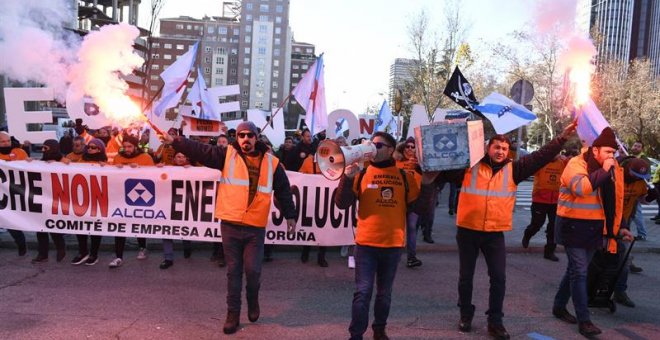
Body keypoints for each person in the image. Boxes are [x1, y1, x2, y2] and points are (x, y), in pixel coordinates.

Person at [163, 121, 297, 335]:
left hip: (255, 228)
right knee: (233, 272)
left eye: (249, 135)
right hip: (230, 225)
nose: (245, 139)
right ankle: (232, 315)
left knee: (253, 271)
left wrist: (290, 215)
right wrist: (176, 141)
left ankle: (253, 301)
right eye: (241, 135)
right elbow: (201, 150)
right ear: (238, 138)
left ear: (256, 138)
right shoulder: (226, 155)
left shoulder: (272, 163)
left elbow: (283, 190)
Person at [450, 122, 576, 340]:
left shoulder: (514, 169)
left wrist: (561, 138)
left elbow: (541, 156)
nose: (500, 151)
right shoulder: (469, 165)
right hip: (467, 230)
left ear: (509, 152)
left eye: (504, 149)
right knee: (465, 278)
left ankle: (495, 321)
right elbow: (442, 166)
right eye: (496, 147)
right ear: (488, 148)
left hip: (494, 233)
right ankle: (465, 314)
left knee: (498, 278)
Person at [335, 131, 437, 340]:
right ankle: (356, 335)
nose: (373, 148)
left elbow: (420, 210)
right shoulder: (361, 173)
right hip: (365, 245)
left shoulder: (404, 176)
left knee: (384, 294)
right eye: (371, 145)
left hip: (392, 245)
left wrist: (426, 185)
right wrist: (346, 178)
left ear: (390, 150)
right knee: (362, 293)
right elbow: (341, 203)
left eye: (378, 146)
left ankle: (379, 329)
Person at [552, 127, 633, 337]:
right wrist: (605, 171)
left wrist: (620, 226)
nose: (611, 157)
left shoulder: (611, 168)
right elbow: (583, 189)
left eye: (613, 154)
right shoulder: (576, 164)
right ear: (595, 149)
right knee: (580, 271)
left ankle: (559, 306)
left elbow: (613, 201)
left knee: (575, 270)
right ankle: (584, 320)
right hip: (572, 226)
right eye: (607, 152)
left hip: (594, 228)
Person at [611, 157, 657, 307]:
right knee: (600, 257)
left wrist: (652, 195)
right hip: (606, 221)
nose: (638, 179)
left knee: (623, 259)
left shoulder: (639, 183)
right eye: (636, 175)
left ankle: (620, 292)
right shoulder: (614, 176)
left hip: (624, 223)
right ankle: (591, 288)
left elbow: (642, 199)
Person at [109, 134, 155, 268]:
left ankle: (142, 247)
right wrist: (113, 169)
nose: (127, 149)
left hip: (139, 197)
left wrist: (140, 170)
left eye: (130, 146)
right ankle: (118, 256)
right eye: (125, 147)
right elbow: (110, 176)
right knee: (120, 225)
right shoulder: (118, 157)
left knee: (138, 223)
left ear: (136, 146)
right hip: (121, 196)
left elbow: (154, 178)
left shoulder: (145, 158)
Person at [521, 153, 568, 261]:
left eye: (557, 152)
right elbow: (530, 169)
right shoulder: (541, 163)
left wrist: (566, 160)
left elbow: (571, 170)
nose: (554, 155)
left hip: (556, 201)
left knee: (554, 227)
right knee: (537, 224)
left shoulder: (562, 163)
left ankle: (549, 251)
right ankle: (528, 234)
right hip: (540, 200)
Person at [69, 138, 108, 265]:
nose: (90, 149)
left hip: (98, 199)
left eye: (94, 147)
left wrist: (107, 168)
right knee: (80, 226)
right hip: (82, 198)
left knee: (95, 226)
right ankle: (83, 252)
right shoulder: (82, 160)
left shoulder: (107, 162)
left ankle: (94, 254)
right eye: (89, 147)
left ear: (100, 149)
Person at [32, 139, 67, 263]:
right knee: (40, 228)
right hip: (42, 198)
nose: (43, 150)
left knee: (53, 226)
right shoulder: (42, 161)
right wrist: (29, 163)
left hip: (56, 199)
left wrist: (58, 165)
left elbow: (70, 168)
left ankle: (61, 249)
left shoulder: (63, 160)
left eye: (45, 148)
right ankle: (43, 254)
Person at [159, 152, 195, 269]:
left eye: (183, 156)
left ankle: (187, 247)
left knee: (185, 227)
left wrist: (192, 170)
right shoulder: (167, 169)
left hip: (185, 204)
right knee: (167, 230)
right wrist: (157, 169)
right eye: (178, 157)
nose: (181, 159)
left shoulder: (192, 170)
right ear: (174, 158)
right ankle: (168, 258)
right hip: (168, 204)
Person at [394, 137, 423, 268]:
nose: (410, 149)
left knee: (411, 228)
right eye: (407, 146)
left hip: (415, 201)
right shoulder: (396, 162)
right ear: (403, 148)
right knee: (398, 230)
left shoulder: (420, 163)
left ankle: (411, 257)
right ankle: (393, 256)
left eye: (413, 147)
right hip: (398, 200)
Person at [0, 131, 29, 256]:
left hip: (14, 193)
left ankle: (21, 243)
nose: (6, 144)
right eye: (2, 142)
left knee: (11, 221)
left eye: (8, 141)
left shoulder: (20, 152)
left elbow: (30, 169)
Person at [628, 141, 650, 240]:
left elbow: (646, 176)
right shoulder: (631, 157)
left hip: (637, 189)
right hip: (631, 188)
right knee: (632, 212)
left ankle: (642, 234)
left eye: (638, 146)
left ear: (642, 149)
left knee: (637, 211)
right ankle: (628, 230)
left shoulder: (644, 160)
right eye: (635, 145)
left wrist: (642, 190)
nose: (636, 147)